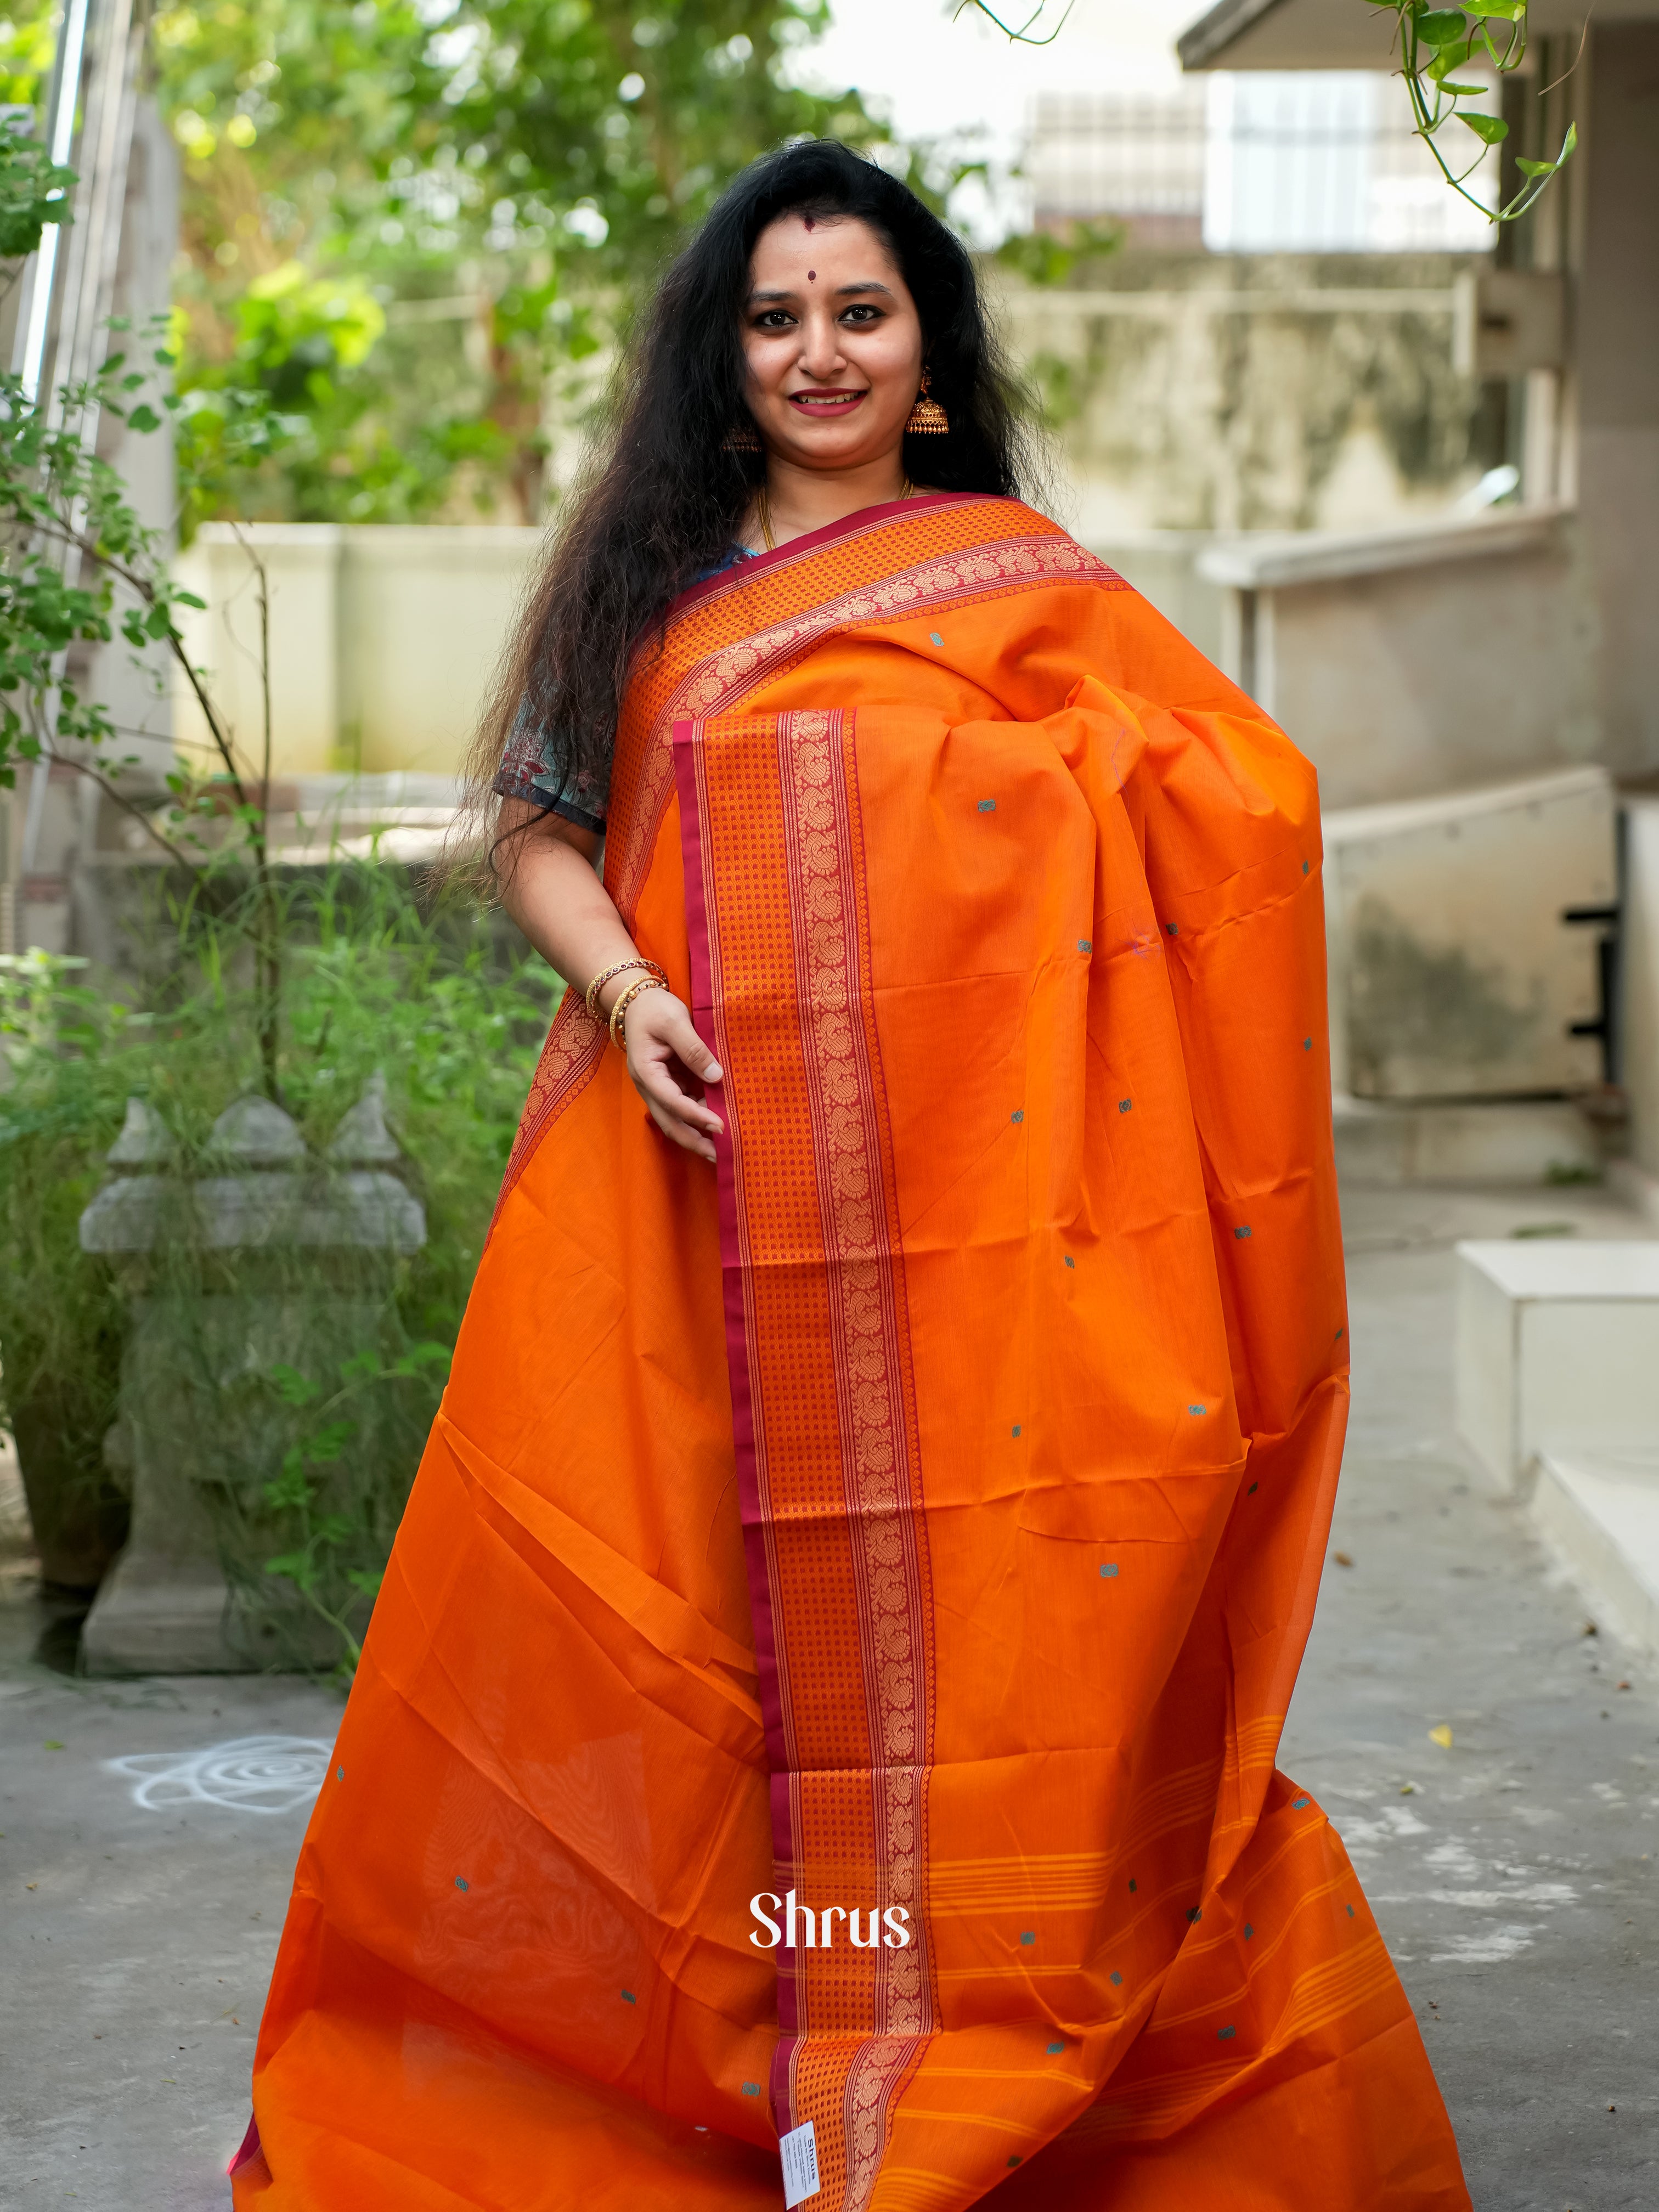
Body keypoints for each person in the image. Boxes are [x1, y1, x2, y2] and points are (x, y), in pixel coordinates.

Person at [230, 140, 1470, 2209]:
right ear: (727, 361)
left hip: (986, 1250)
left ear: (931, 363)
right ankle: (701, 2080)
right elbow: (534, 825)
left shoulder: (1031, 593)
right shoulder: (655, 584)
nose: (819, 350)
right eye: (776, 316)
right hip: (694, 1215)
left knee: (1014, 1646)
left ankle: (989, 2053)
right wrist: (628, 993)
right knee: (681, 1652)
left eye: (861, 313)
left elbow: (1231, 816)